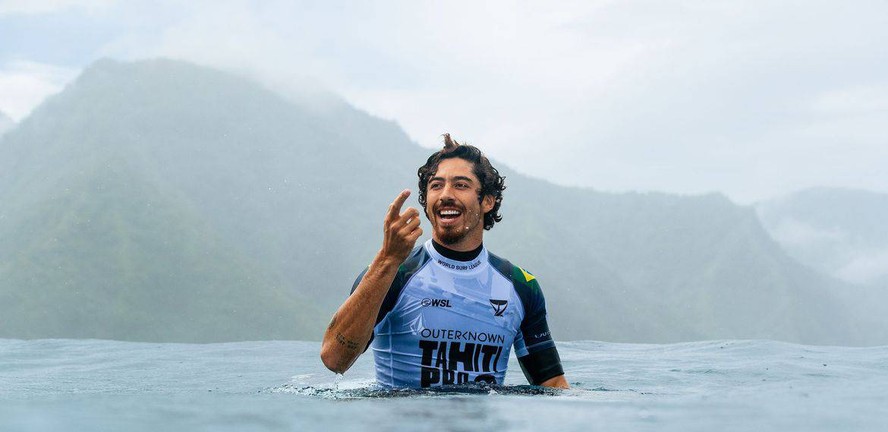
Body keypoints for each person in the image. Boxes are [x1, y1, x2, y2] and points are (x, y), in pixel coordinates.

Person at [320, 134, 568, 389]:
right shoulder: (393, 274)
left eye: (461, 185)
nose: (445, 194)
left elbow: (552, 384)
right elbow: (334, 359)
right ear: (425, 201)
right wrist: (387, 260)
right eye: (436, 185)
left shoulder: (520, 286)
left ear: (487, 201)